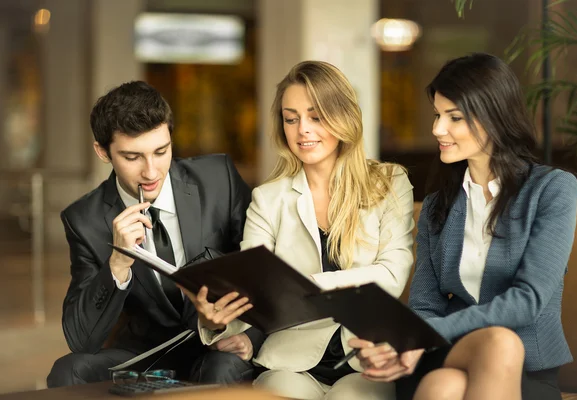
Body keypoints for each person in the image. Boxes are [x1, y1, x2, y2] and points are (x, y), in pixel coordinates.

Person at [349, 53, 577, 400]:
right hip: (447, 351)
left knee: (456, 379)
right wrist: (399, 341)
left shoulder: (552, 189)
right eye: (437, 115)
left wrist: (428, 331)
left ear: (494, 117)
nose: (437, 129)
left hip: (525, 368)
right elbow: (425, 305)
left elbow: (527, 300)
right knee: (448, 376)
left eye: (453, 117)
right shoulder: (436, 206)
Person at [183, 60, 415, 400]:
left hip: (366, 355)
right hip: (289, 360)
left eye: (316, 116)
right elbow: (254, 292)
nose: (302, 129)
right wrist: (217, 321)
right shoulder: (268, 198)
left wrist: (311, 285)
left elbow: (392, 275)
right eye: (291, 119)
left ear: (343, 117)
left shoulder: (390, 182)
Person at [47, 81, 264, 387]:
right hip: (146, 354)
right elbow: (81, 338)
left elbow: (262, 269)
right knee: (69, 370)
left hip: (219, 344)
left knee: (222, 369)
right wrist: (118, 264)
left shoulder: (219, 179)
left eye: (161, 151)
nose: (151, 172)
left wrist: (251, 336)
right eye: (132, 157)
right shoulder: (85, 218)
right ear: (102, 152)